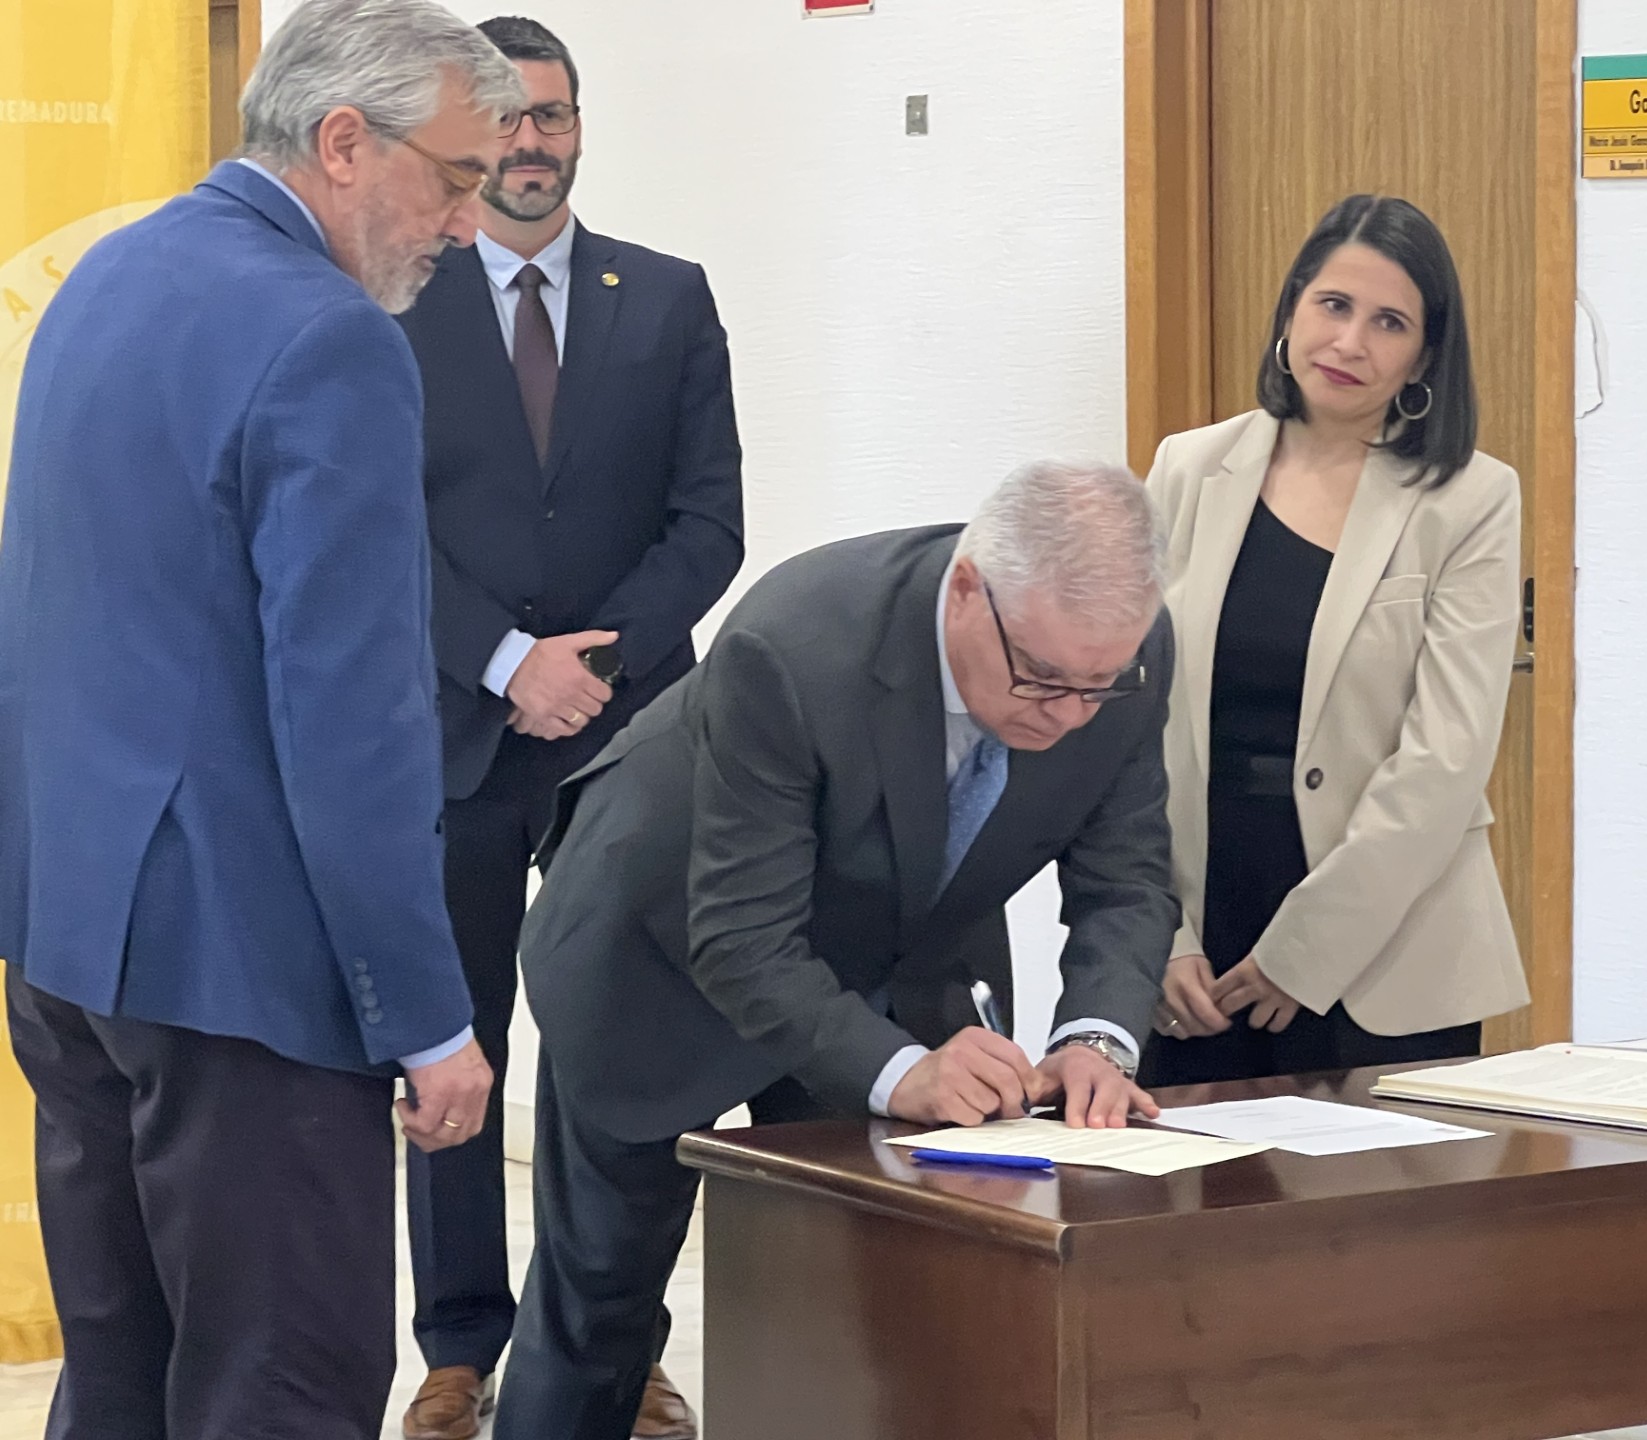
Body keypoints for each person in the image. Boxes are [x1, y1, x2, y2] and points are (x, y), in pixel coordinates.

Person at [0, 3, 522, 1436]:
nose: (465, 223)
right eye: (456, 177)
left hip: (71, 941)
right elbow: (352, 723)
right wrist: (428, 1016)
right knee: (280, 1391)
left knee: (121, 1378)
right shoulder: (328, 338)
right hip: (245, 976)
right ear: (344, 142)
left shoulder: (107, 273)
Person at [491, 460, 1177, 1439]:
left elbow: (1129, 877)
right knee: (601, 1302)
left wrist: (1096, 1038)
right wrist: (902, 1072)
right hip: (660, 947)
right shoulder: (797, 641)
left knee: (876, 1297)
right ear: (969, 590)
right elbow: (741, 935)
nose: (1069, 715)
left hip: (891, 954)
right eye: (1042, 680)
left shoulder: (1121, 654)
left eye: (1097, 688)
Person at [394, 17, 743, 1440]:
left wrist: (588, 666)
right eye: (509, 120)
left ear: (581, 126)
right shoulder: (393, 302)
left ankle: (615, 1347)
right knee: (454, 1047)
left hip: (631, 741)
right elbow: (375, 527)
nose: (532, 143)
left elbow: (710, 522)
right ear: (471, 138)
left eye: (555, 115)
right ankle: (459, 1347)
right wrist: (503, 663)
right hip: (455, 735)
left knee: (625, 1051)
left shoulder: (665, 296)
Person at [1138, 193, 1529, 1089]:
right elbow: (1128, 723)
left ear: (1425, 355)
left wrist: (1306, 952)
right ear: (1291, 311)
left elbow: (1445, 759)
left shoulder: (1470, 499)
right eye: (1334, 305)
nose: (1351, 342)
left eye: (1390, 323)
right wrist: (1161, 932)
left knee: (1376, 1183)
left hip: (1384, 944)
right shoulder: (1187, 469)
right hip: (1197, 936)